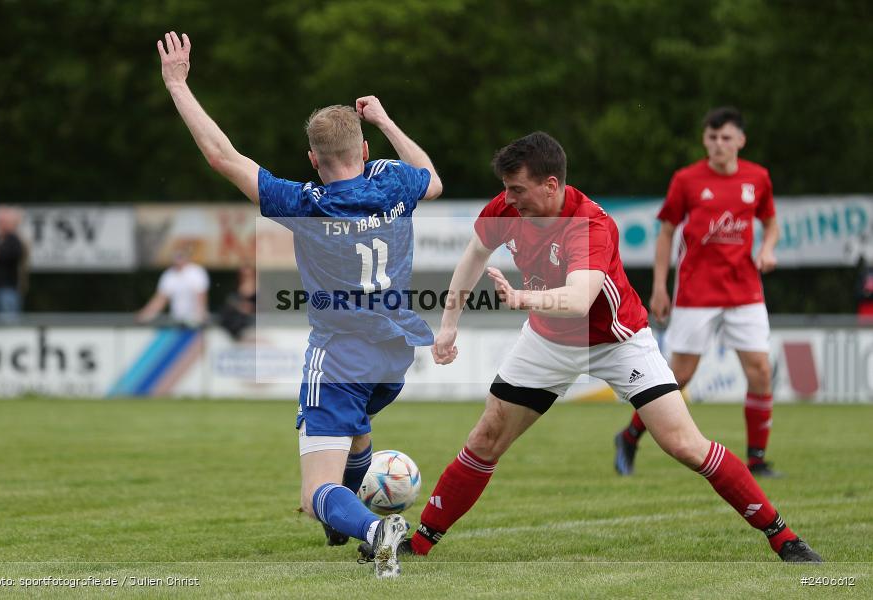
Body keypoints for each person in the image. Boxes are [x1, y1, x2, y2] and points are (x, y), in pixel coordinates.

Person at [366, 131, 820, 563]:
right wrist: (448, 324)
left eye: (518, 189)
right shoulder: (508, 209)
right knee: (485, 438)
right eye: (505, 188)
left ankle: (784, 537)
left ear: (551, 184)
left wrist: (523, 298)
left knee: (684, 444)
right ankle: (419, 545)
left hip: (617, 342)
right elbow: (474, 256)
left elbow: (580, 300)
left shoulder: (591, 225)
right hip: (546, 340)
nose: (509, 199)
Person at [157, 32, 443, 578]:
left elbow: (223, 157)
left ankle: (372, 528)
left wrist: (177, 84)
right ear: (363, 151)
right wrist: (384, 121)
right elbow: (433, 178)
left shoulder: (306, 203)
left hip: (339, 355)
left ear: (313, 159)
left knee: (316, 489)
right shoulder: (393, 182)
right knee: (356, 432)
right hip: (396, 352)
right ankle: (347, 525)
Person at [614, 107, 782, 478]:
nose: (718, 145)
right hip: (696, 292)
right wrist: (659, 287)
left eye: (725, 138)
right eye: (712, 138)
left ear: (740, 140)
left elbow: (771, 223)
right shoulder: (687, 180)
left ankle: (756, 460)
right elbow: (666, 231)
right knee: (680, 376)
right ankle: (628, 436)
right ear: (705, 139)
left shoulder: (758, 178)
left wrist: (768, 248)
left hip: (745, 291)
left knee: (760, 372)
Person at [136, 248, 210, 327]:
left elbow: (201, 296)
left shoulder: (196, 272)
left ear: (187, 257)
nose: (178, 259)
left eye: (181, 256)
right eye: (176, 256)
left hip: (194, 320)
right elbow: (160, 299)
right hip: (177, 320)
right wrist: (146, 314)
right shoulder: (169, 275)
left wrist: (200, 316)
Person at [0, 206, 26, 321]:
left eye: (2, 221)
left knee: (7, 323)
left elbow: (16, 254)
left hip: (7, 288)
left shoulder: (14, 239)